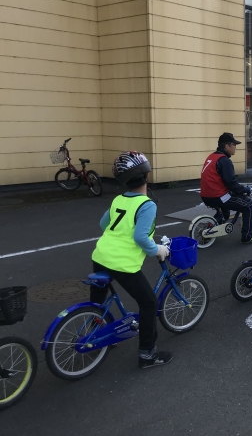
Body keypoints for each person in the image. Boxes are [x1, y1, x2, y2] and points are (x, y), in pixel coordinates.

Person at [90, 151, 173, 368]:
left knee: (97, 303)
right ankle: (147, 355)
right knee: (149, 303)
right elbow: (140, 237)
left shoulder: (119, 199)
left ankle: (97, 336)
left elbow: (103, 224)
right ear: (146, 176)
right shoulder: (147, 205)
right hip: (122, 264)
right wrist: (157, 250)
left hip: (100, 256)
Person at [200, 133, 252, 243]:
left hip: (206, 195)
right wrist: (245, 190)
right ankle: (247, 236)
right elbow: (231, 183)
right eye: (234, 145)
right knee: (248, 205)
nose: (235, 147)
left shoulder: (212, 157)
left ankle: (213, 227)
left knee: (225, 211)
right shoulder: (224, 161)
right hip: (218, 196)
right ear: (226, 146)